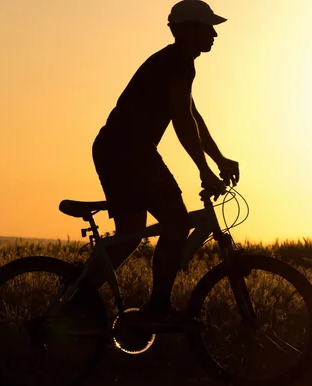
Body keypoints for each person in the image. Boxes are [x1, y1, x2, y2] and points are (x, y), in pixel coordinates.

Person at [88, 0, 239, 321]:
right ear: (188, 30)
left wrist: (220, 159)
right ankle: (157, 307)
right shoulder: (178, 62)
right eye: (208, 26)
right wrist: (205, 171)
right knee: (177, 223)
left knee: (129, 234)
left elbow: (192, 116)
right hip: (129, 152)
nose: (214, 33)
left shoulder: (175, 61)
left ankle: (77, 299)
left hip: (119, 149)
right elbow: (182, 120)